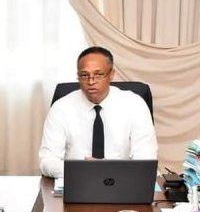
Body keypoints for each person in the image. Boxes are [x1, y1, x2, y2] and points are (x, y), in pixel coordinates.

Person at [38, 46, 158, 178]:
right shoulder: (61, 108)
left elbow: (146, 160)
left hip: (122, 181)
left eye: (98, 74)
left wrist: (108, 170)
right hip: (77, 180)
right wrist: (84, 170)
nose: (91, 81)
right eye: (84, 75)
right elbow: (47, 161)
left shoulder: (135, 105)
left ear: (111, 75)